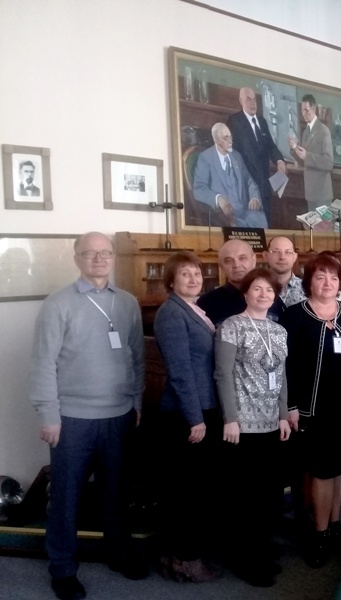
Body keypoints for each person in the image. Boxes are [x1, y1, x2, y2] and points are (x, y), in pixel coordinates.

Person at [29, 232, 146, 600]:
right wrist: (49, 415)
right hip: (72, 419)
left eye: (105, 252)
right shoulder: (58, 304)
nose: (98, 259)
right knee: (67, 499)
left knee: (116, 493)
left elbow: (137, 355)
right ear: (77, 258)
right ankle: (63, 569)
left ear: (113, 257)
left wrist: (137, 401)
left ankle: (118, 553)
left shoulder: (127, 302)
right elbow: (43, 363)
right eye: (90, 253)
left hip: (119, 414)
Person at [281, 253, 341, 568]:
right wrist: (291, 406)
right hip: (313, 410)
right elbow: (286, 366)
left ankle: (335, 526)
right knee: (322, 470)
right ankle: (319, 533)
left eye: (333, 278)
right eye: (320, 277)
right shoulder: (295, 315)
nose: (327, 283)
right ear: (309, 281)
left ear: (340, 282)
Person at [214, 268, 290, 586]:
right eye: (257, 289)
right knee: (245, 496)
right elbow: (222, 374)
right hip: (242, 425)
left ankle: (261, 549)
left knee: (268, 493)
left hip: (271, 422)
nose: (263, 294)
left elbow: (282, 375)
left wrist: (283, 415)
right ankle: (246, 560)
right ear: (245, 293)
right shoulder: (231, 326)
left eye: (269, 290)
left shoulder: (279, 330)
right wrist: (230, 418)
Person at [152, 251, 221, 583]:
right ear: (171, 281)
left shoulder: (192, 309)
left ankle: (173, 556)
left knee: (188, 489)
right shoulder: (171, 313)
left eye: (196, 273)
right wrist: (195, 419)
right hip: (186, 416)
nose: (193, 279)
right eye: (185, 274)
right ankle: (187, 561)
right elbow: (180, 372)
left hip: (200, 410)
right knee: (188, 494)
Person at [227, 87, 287, 223]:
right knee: (251, 223)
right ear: (241, 101)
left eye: (254, 100)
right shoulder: (234, 121)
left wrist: (279, 160)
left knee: (266, 221)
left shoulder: (262, 121)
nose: (253, 104)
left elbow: (271, 145)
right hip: (246, 184)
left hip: (264, 183)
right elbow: (231, 154)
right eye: (248, 100)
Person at [193, 122, 268, 228]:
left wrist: (254, 197)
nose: (230, 141)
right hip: (224, 215)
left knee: (261, 220)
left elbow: (249, 181)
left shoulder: (236, 156)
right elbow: (199, 189)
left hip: (245, 211)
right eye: (226, 138)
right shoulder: (206, 158)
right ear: (216, 140)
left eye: (231, 137)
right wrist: (217, 198)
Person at [288, 94, 334, 212]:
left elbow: (329, 163)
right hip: (310, 194)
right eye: (302, 110)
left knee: (323, 225)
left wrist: (307, 156)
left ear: (313, 109)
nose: (303, 113)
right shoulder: (306, 132)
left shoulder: (324, 131)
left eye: (306, 110)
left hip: (322, 194)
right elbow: (303, 162)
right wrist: (294, 148)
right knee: (311, 224)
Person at [264, 236, 306, 309]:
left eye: (287, 252)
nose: (282, 257)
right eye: (276, 251)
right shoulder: (255, 288)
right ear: (265, 256)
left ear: (295, 257)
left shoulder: (307, 288)